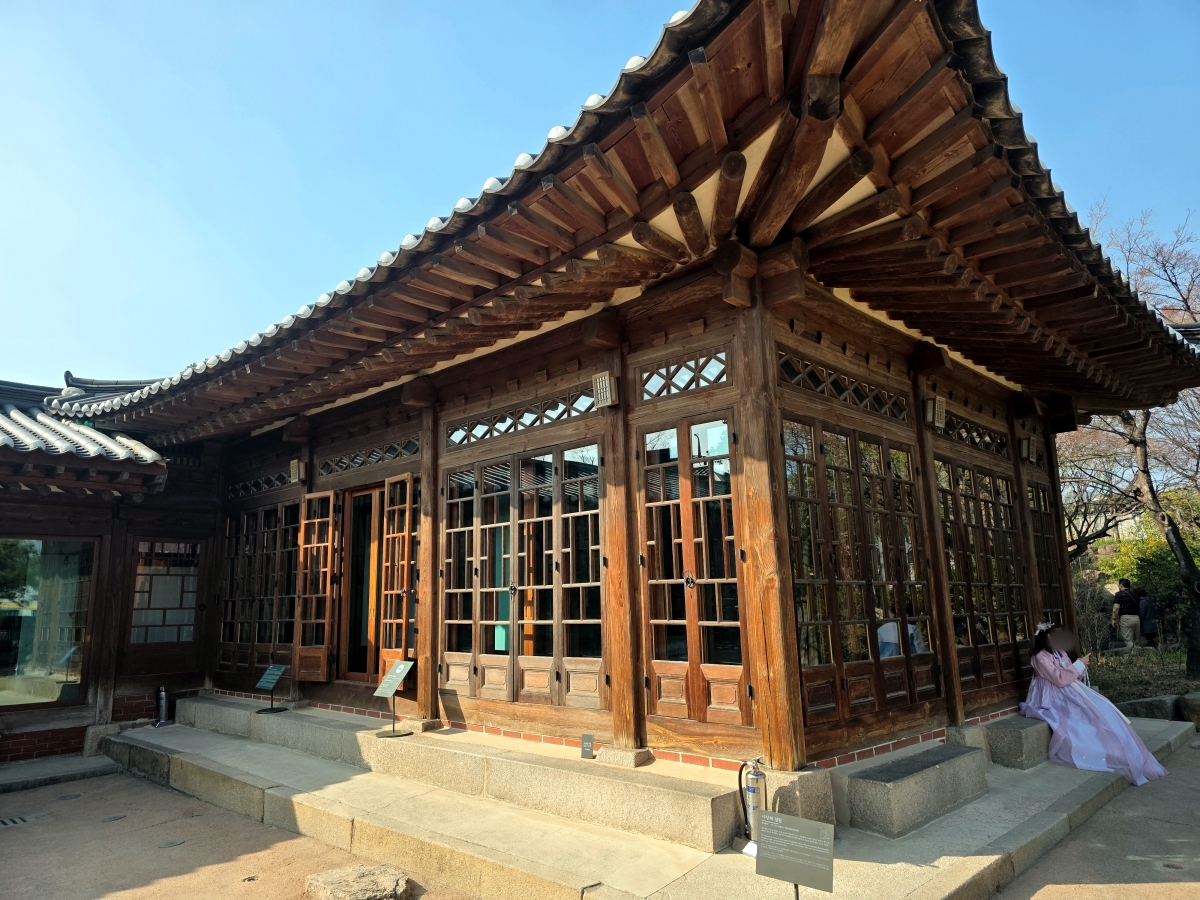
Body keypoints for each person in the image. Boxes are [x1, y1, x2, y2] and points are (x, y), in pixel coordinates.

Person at [1020, 622, 1166, 786]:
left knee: (1104, 709)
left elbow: (1070, 673)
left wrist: (1080, 666)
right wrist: (1079, 665)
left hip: (1069, 688)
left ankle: (1122, 749)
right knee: (1081, 716)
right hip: (1052, 694)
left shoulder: (1059, 651)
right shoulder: (1040, 657)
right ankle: (1102, 750)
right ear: (1049, 636)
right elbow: (1059, 679)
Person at [1111, 578, 1141, 649]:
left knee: (1129, 641)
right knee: (1136, 641)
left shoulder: (1119, 594)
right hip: (1136, 618)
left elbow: (1116, 608)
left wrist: (1114, 619)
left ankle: (1133, 657)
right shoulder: (1136, 595)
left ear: (1121, 585)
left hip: (1126, 618)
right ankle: (1140, 657)